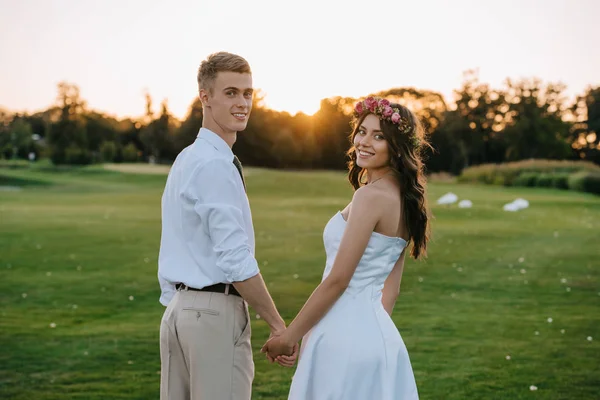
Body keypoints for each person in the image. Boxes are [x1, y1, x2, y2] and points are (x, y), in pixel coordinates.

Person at [262, 96, 431, 399]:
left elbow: (338, 280)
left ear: (397, 146)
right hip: (381, 340)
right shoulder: (405, 201)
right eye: (362, 131)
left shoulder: (369, 198)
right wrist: (365, 334)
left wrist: (289, 336)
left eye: (379, 136)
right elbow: (390, 291)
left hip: (341, 338)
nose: (364, 141)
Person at [158, 51, 296, 400]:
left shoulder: (188, 158)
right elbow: (235, 260)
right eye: (231, 92)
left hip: (179, 312)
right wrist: (279, 325)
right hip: (212, 315)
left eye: (248, 93)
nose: (243, 102)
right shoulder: (213, 165)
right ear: (205, 96)